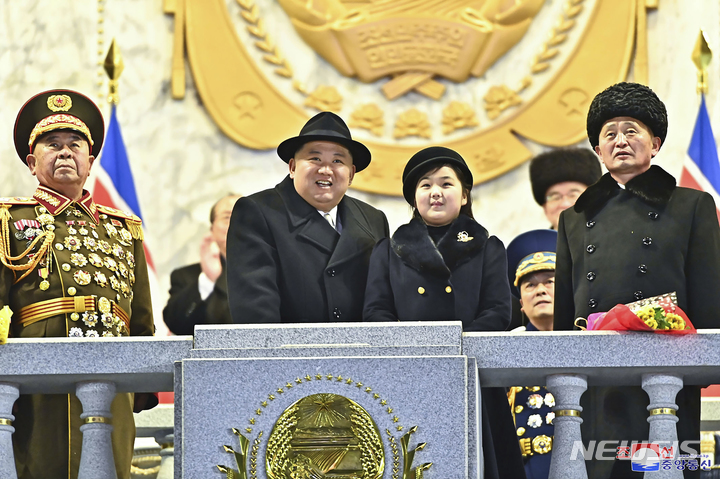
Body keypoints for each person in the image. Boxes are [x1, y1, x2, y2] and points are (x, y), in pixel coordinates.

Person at [554, 82, 720, 478]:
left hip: (667, 373)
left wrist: (706, 366)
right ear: (598, 150)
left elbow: (709, 297)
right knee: (599, 468)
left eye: (632, 130)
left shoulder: (691, 205)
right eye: (609, 134)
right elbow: (565, 310)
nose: (620, 141)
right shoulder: (574, 217)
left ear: (655, 143)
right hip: (593, 376)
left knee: (665, 469)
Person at [0, 90, 156, 478]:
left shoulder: (122, 228)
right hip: (35, 381)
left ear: (90, 161)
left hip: (113, 374)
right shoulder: (8, 220)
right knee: (41, 467)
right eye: (53, 145)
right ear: (33, 162)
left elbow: (140, 320)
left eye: (75, 145)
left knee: (110, 469)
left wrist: (142, 386)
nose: (65, 152)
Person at [363, 146, 524, 479]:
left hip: (473, 376)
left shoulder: (487, 247)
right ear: (414, 197)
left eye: (446, 184)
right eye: (425, 184)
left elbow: (498, 312)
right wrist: (415, 350)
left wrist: (454, 349)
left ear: (464, 195)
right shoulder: (389, 250)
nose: (435, 192)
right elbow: (376, 312)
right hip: (407, 376)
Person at [226, 112, 389, 323]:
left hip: (360, 353)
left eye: (338, 161)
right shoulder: (258, 212)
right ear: (293, 167)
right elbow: (255, 311)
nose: (325, 170)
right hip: (291, 353)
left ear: (351, 174)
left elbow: (382, 302)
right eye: (315, 158)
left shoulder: (373, 219)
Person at [506, 229, 558, 479]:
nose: (540, 290)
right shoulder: (506, 348)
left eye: (550, 281)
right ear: (520, 303)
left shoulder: (589, 341)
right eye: (530, 284)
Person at [163, 193, 240, 334]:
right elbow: (175, 324)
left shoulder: (274, 272)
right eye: (227, 217)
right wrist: (208, 281)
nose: (236, 222)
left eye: (243, 216)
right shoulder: (185, 276)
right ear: (212, 229)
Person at [529, 148, 602, 230]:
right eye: (555, 197)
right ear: (545, 208)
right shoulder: (534, 243)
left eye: (573, 195)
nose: (565, 204)